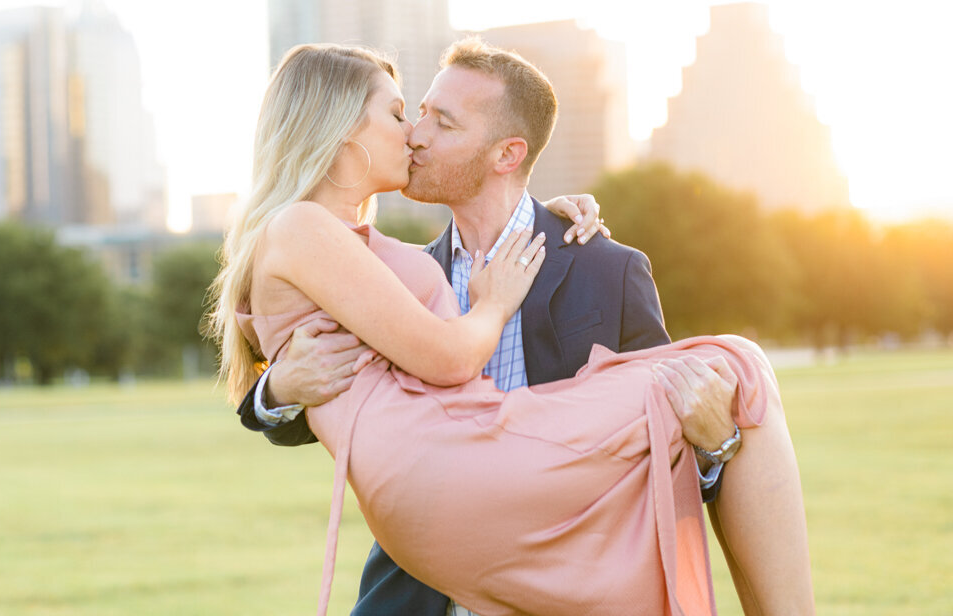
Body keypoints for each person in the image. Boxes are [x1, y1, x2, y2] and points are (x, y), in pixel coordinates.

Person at [213, 43, 813, 615]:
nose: (416, 134)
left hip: (557, 576)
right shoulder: (387, 269)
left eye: (440, 123)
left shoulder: (604, 267)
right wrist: (277, 390)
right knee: (742, 366)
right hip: (429, 583)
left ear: (507, 154)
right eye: (410, 114)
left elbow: (658, 457)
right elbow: (355, 394)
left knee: (732, 376)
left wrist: (716, 448)